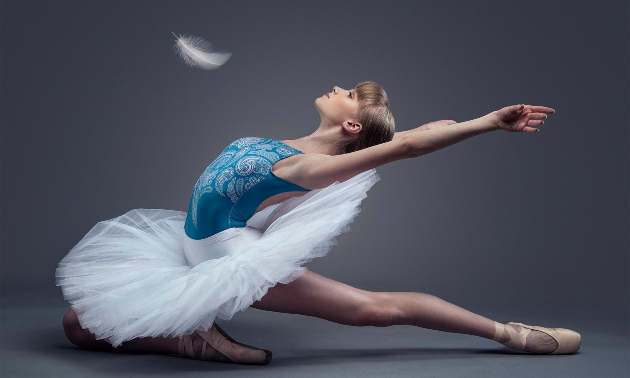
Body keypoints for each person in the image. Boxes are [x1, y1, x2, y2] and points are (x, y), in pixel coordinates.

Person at [57, 82, 580, 365]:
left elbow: (403, 149)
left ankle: (512, 335)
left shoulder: (311, 168)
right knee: (79, 327)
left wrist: (486, 122)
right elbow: (398, 141)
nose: (337, 85)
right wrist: (413, 131)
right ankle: (194, 339)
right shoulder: (291, 146)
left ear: (350, 124)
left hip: (229, 259)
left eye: (349, 91)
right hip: (186, 250)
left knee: (372, 310)